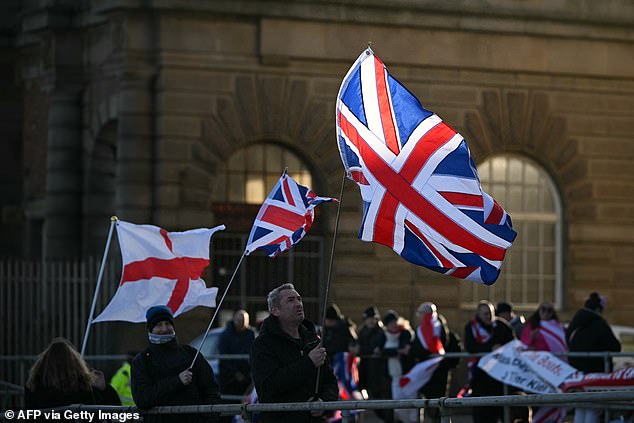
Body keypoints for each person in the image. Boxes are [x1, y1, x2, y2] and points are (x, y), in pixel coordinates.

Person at [250, 283, 338, 423]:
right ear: (275, 310)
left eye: (299, 299)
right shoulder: (263, 344)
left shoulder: (313, 340)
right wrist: (308, 363)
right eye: (290, 300)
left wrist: (323, 403)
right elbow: (268, 388)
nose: (298, 304)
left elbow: (330, 381)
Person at [131, 305, 221, 423]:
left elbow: (211, 390)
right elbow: (143, 399)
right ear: (150, 329)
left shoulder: (190, 354)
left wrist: (209, 419)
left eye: (167, 324)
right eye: (158, 325)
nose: (164, 329)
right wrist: (177, 381)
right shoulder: (142, 361)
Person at [566, 292, 621, 423]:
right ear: (598, 309)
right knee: (593, 408)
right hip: (596, 372)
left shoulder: (575, 323)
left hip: (577, 373)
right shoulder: (599, 324)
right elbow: (615, 347)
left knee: (580, 407)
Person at [25, 337, 121, 409]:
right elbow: (114, 410)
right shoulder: (83, 387)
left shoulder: (33, 387)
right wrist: (104, 389)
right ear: (75, 363)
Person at [409, 302, 461, 423]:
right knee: (431, 406)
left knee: (439, 405)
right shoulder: (423, 330)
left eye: (420, 313)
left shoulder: (439, 331)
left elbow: (422, 350)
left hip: (438, 373)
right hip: (426, 372)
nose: (418, 316)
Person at [464, 301, 514, 423]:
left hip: (499, 377)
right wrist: (490, 349)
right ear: (479, 314)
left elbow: (513, 343)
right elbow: (470, 347)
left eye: (491, 313)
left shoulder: (501, 326)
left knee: (501, 412)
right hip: (480, 376)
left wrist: (501, 348)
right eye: (485, 314)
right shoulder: (471, 327)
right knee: (481, 413)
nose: (489, 317)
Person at [521, 302, 567, 423]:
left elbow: (563, 347)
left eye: (549, 310)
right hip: (536, 370)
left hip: (553, 369)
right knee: (537, 400)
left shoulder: (558, 327)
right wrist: (532, 338)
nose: (546, 313)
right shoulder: (532, 326)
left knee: (553, 399)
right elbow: (523, 346)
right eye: (543, 310)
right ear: (539, 311)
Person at [357, 306, 393, 423]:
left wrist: (363, 350)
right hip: (367, 373)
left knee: (384, 403)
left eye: (373, 318)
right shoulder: (363, 332)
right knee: (374, 403)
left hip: (381, 373)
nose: (371, 321)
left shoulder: (382, 332)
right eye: (369, 318)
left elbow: (374, 348)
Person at [377, 310, 414, 423]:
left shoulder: (405, 333)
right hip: (393, 376)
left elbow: (405, 349)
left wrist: (392, 351)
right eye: (390, 323)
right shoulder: (383, 336)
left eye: (395, 322)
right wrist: (397, 351)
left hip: (408, 375)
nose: (394, 325)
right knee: (398, 405)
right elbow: (379, 351)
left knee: (412, 403)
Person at [218, 309, 256, 397]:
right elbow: (224, 356)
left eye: (244, 321)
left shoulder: (251, 334)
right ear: (234, 320)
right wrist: (235, 373)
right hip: (229, 377)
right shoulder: (226, 335)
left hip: (247, 376)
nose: (242, 323)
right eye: (239, 320)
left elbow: (254, 351)